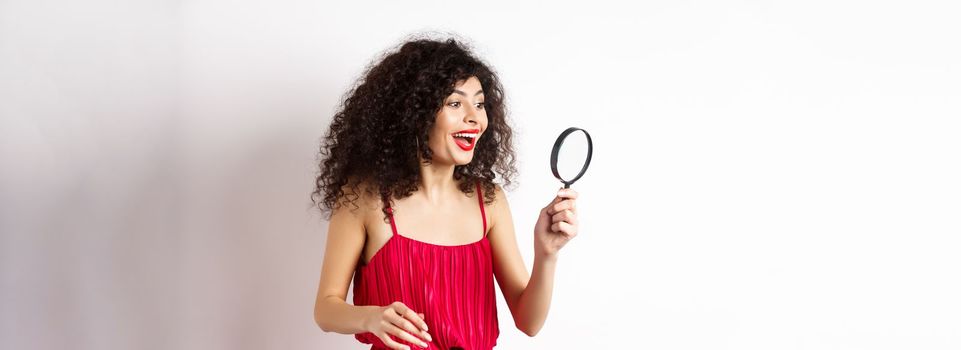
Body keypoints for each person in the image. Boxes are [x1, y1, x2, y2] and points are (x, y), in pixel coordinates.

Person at [311, 36, 579, 350]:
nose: (475, 117)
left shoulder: (488, 202)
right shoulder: (364, 199)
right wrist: (371, 317)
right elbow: (325, 309)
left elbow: (529, 322)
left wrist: (547, 254)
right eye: (455, 103)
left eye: (479, 103)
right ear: (414, 113)